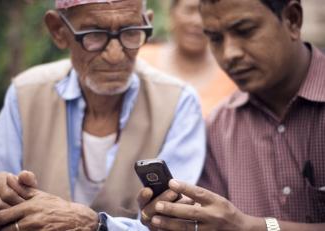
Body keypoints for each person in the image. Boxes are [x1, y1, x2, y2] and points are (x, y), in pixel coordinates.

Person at [0, 0, 206, 230]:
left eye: (131, 32)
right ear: (58, 30)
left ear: (146, 23)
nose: (115, 55)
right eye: (94, 34)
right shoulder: (26, 94)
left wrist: (97, 225)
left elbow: (178, 222)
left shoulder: (178, 103)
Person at [138, 0, 325, 230]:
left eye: (245, 31)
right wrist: (175, 220)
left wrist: (250, 227)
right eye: (215, 39)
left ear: (292, 20)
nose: (229, 54)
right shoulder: (218, 128)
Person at [138, 0, 236, 116]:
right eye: (189, 10)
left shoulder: (231, 70)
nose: (197, 21)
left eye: (204, 14)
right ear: (171, 14)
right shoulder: (141, 60)